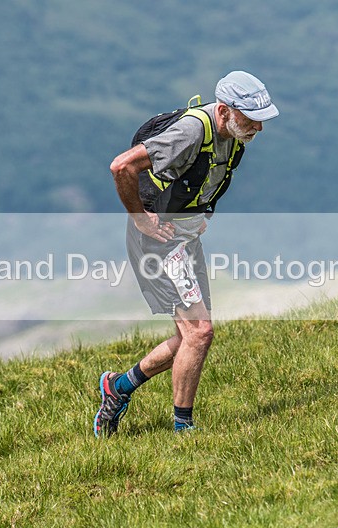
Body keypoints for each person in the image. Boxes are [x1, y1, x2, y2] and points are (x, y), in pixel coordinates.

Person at [94, 71, 279, 436]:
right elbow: (121, 166)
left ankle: (118, 387)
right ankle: (184, 431)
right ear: (224, 110)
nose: (258, 127)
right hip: (158, 241)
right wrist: (141, 218)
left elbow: (205, 180)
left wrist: (199, 216)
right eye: (250, 119)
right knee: (200, 333)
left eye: (261, 119)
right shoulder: (191, 132)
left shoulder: (233, 135)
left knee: (189, 337)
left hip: (183, 239)